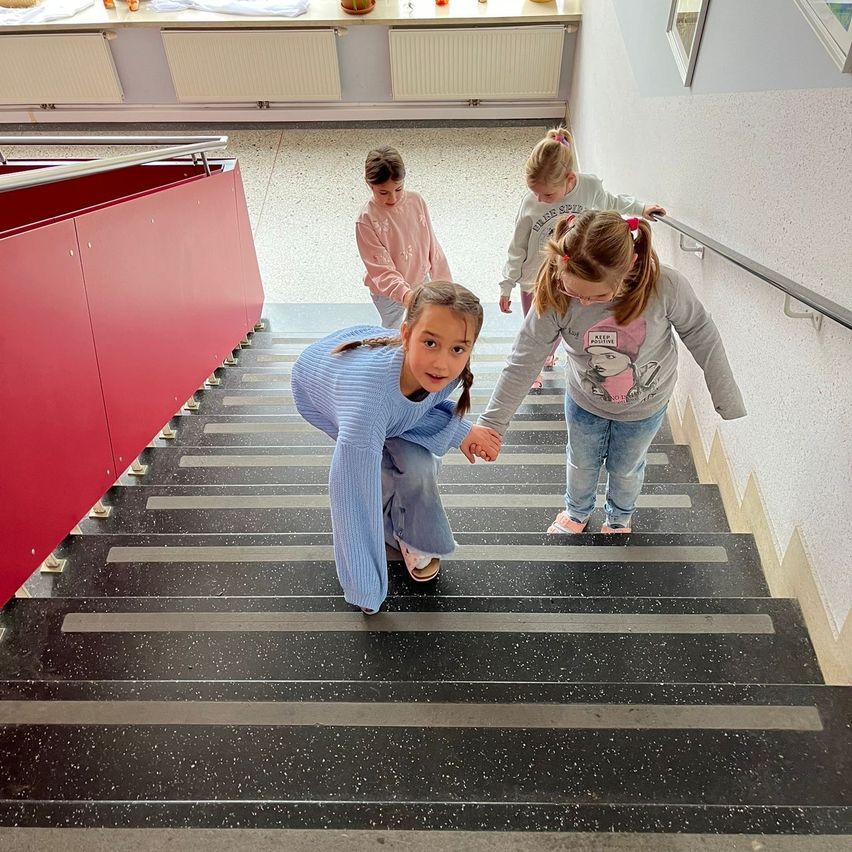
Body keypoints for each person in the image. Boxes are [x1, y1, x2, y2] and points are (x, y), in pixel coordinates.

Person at [480, 210, 745, 535]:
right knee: (580, 462)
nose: (584, 303)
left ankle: (619, 517)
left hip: (644, 408)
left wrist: (725, 394)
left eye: (597, 296)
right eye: (574, 292)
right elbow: (525, 357)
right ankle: (577, 511)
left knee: (626, 468)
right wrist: (493, 422)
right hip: (584, 403)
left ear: (630, 265)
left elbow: (701, 332)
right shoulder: (555, 291)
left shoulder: (666, 287)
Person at [291, 281, 502, 614]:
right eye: (430, 343)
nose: (442, 363)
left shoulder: (441, 372)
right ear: (406, 335)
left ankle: (410, 534)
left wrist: (461, 430)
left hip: (372, 369)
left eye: (457, 349)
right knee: (378, 472)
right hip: (319, 383)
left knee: (419, 463)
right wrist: (365, 588)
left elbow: (414, 409)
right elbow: (351, 499)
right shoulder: (367, 413)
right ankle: (396, 532)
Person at [498, 127, 666, 388]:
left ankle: (549, 355)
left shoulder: (589, 187)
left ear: (569, 178)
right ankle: (533, 368)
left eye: (547, 195)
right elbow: (517, 246)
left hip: (574, 275)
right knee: (535, 326)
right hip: (535, 279)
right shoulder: (530, 204)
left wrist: (641, 209)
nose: (539, 199)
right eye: (534, 192)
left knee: (560, 323)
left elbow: (612, 202)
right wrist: (507, 284)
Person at [356, 146, 451, 329]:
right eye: (383, 192)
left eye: (398, 189)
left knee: (423, 327)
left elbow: (432, 245)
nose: (392, 198)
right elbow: (380, 270)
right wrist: (405, 294)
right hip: (387, 292)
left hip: (421, 280)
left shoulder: (416, 201)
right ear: (369, 185)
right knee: (393, 330)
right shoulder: (366, 219)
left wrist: (444, 285)